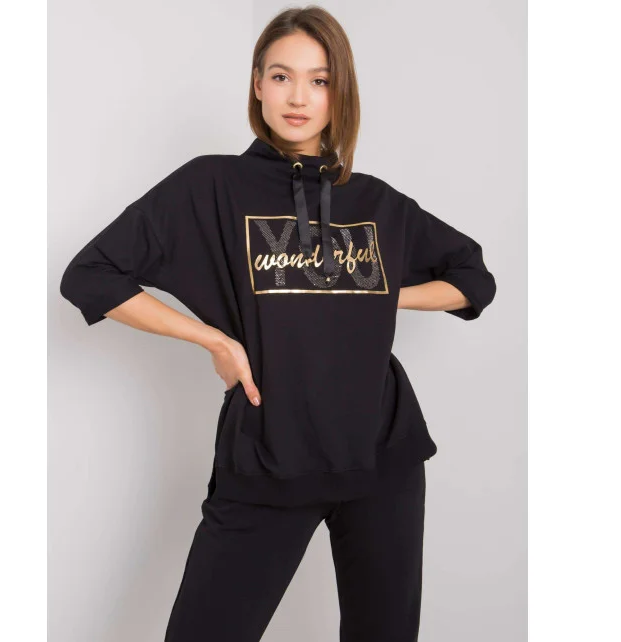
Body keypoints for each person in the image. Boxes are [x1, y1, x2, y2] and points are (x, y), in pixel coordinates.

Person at [59, 6, 496, 641]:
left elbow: (473, 277)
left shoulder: (375, 201)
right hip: (269, 454)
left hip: (384, 455)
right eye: (282, 76)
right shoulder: (212, 185)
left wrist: (380, 296)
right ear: (258, 85)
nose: (298, 97)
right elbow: (90, 275)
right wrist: (211, 338)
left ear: (340, 93)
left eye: (320, 81)